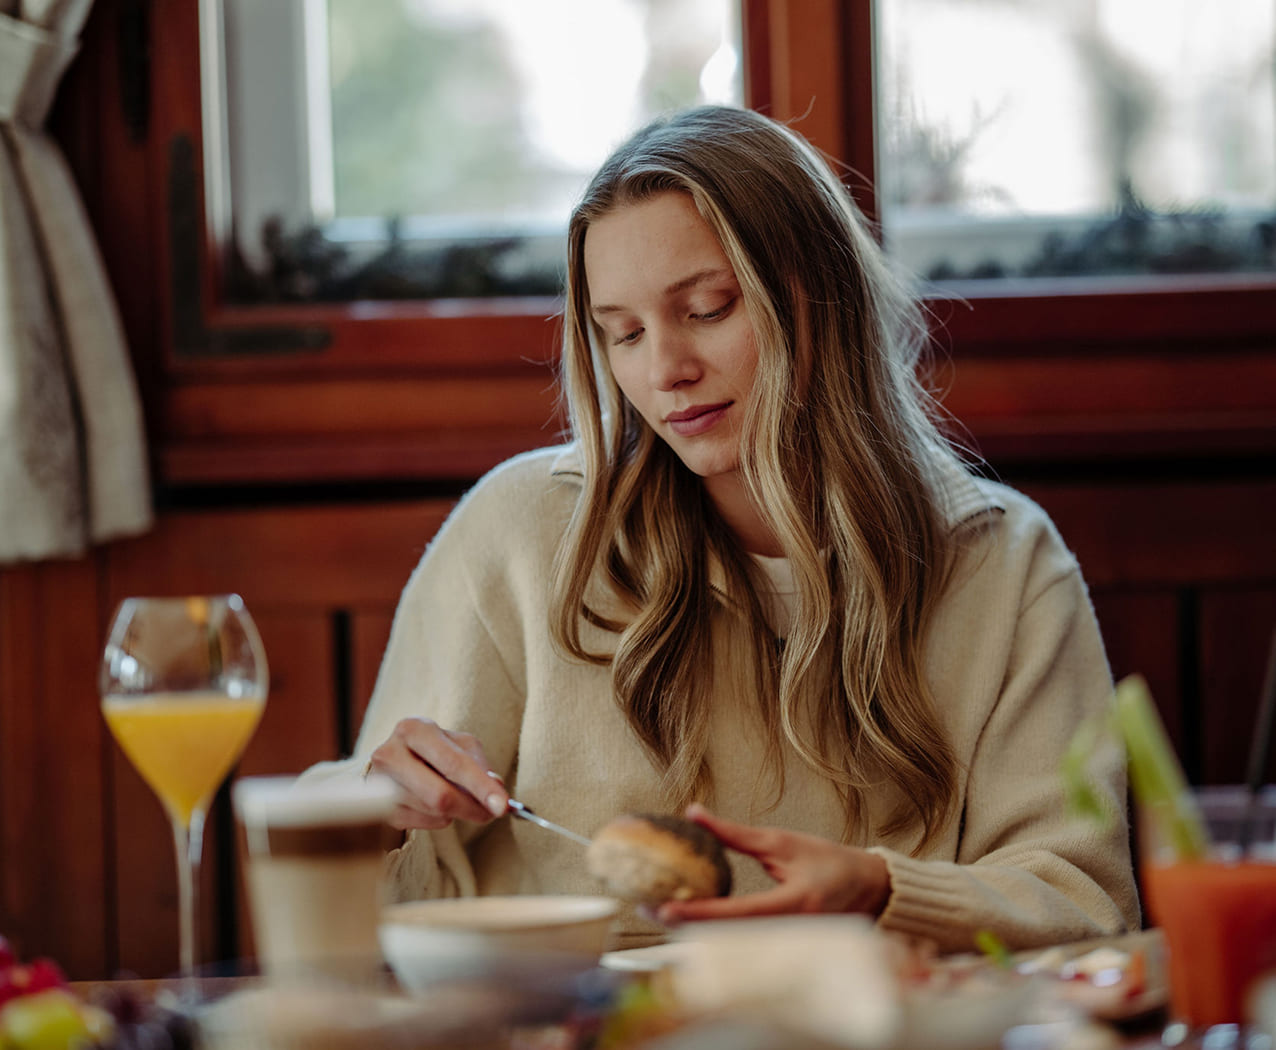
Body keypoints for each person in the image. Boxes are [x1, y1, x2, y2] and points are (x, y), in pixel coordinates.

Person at [304, 105, 1139, 954]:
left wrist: (881, 891)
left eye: (707, 309)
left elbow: (1083, 900)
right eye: (624, 334)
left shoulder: (1004, 565)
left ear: (822, 298)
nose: (665, 370)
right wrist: (377, 813)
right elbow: (357, 886)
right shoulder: (521, 532)